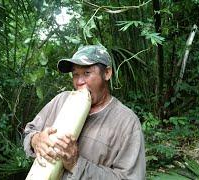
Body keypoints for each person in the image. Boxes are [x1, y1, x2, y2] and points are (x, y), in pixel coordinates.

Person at [23, 45, 146, 179]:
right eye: (76, 74)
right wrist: (36, 140)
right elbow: (29, 131)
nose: (79, 82)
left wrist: (76, 164)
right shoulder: (61, 101)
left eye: (87, 73)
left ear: (107, 73)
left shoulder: (126, 122)